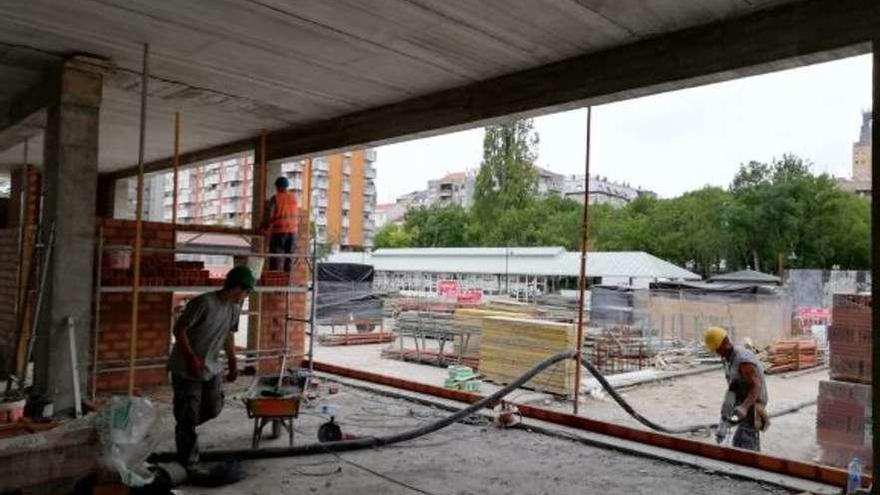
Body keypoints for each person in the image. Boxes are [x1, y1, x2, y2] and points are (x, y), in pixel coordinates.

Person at [167, 266, 255, 465]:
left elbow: (229, 334)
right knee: (188, 418)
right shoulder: (204, 303)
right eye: (246, 291)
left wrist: (233, 361)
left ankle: (184, 422)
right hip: (186, 368)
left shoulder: (234, 307)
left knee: (213, 408)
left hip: (211, 367)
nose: (246, 295)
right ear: (236, 287)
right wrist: (190, 357)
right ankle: (188, 460)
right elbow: (179, 329)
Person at [704, 326, 769, 451]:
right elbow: (733, 387)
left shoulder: (743, 360)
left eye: (718, 349)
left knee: (743, 441)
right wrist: (724, 420)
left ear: (725, 342)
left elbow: (757, 386)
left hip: (754, 403)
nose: (717, 352)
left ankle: (751, 465)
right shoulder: (727, 358)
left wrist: (744, 407)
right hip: (741, 398)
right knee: (745, 437)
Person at [263, 176, 299, 272]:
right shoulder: (294, 197)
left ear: (278, 187)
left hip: (280, 231)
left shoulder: (275, 198)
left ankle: (274, 279)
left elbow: (269, 214)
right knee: (289, 257)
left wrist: (264, 226)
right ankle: (287, 281)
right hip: (293, 232)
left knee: (275, 257)